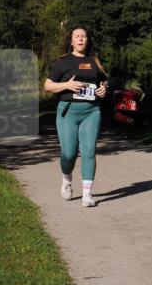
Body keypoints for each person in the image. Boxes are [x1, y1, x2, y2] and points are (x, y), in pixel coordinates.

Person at [44, 26, 109, 207]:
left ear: (87, 40)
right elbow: (47, 86)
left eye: (84, 36)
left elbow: (103, 81)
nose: (80, 39)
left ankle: (87, 195)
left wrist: (104, 89)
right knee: (69, 153)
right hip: (68, 112)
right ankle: (66, 180)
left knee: (89, 151)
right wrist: (67, 85)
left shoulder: (95, 61)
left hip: (92, 112)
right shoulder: (63, 62)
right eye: (77, 36)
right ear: (71, 41)